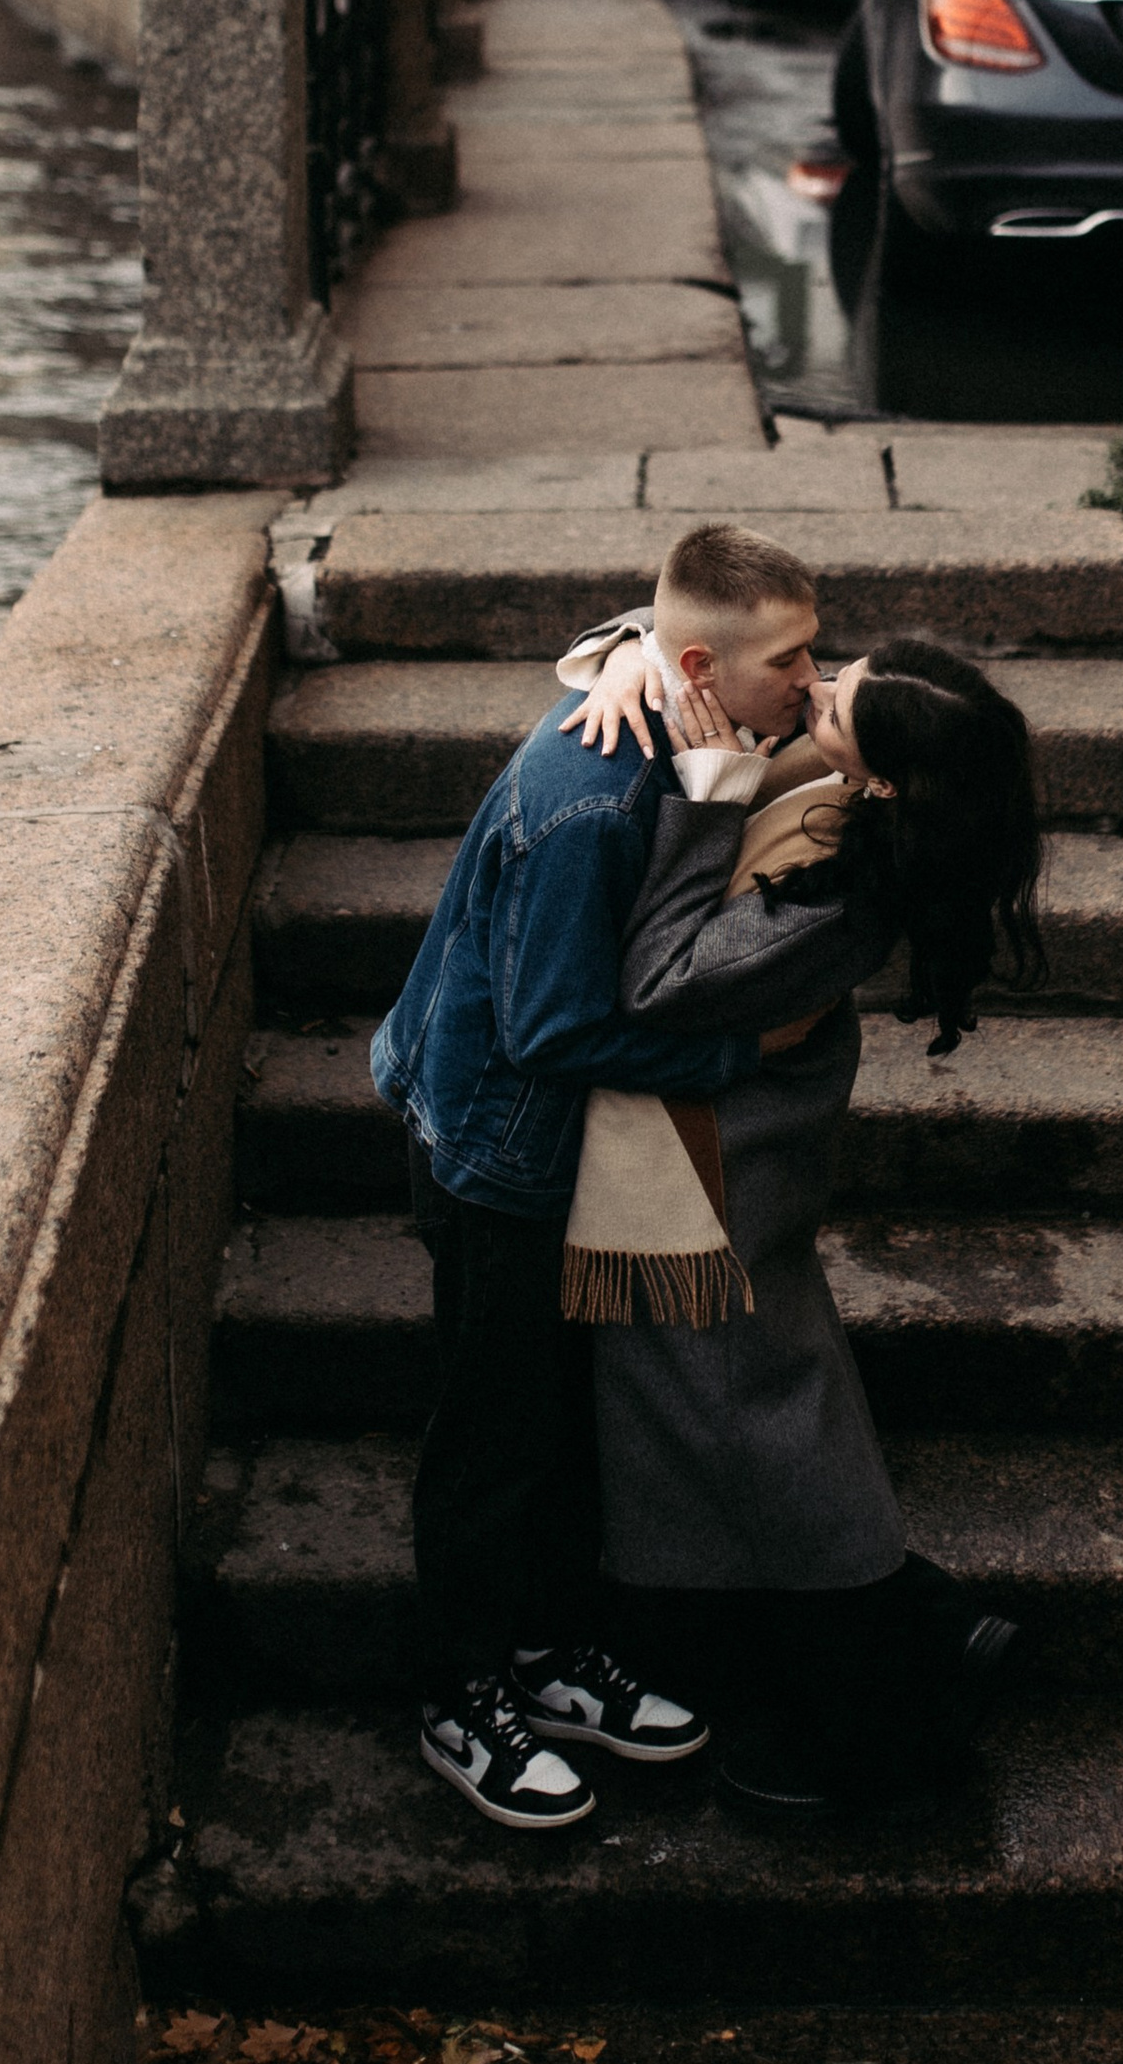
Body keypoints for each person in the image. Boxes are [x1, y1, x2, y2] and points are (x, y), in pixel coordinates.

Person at [370, 523, 823, 1830]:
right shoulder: (588, 805)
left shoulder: (677, 696)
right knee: (494, 1433)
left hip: (547, 1146)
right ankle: (464, 1696)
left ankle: (550, 1657)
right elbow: (551, 1029)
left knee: (564, 1420)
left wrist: (624, 644)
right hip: (494, 1158)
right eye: (792, 660)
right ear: (705, 666)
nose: (809, 679)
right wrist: (746, 1043)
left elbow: (665, 613)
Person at [560, 624, 1042, 1819]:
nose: (817, 693)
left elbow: (660, 983)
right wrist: (632, 662)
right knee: (755, 1415)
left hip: (720, 1173)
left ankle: (893, 1723)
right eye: (840, 674)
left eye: (838, 706)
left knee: (755, 1425)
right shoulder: (863, 778)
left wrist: (712, 793)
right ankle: (925, 1640)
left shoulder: (839, 878)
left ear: (878, 777)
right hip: (726, 1158)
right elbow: (707, 622)